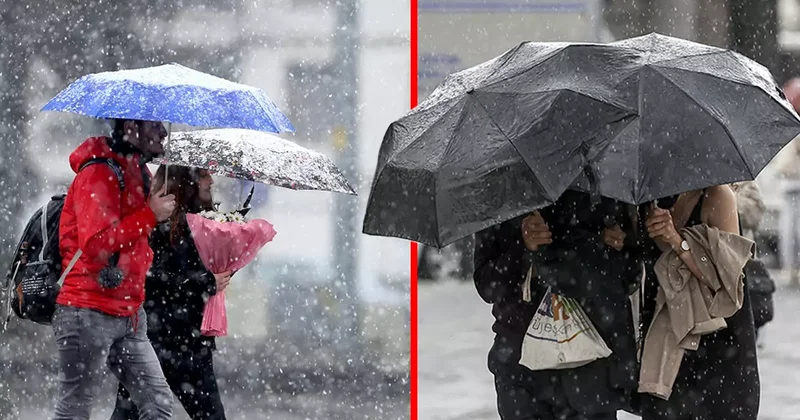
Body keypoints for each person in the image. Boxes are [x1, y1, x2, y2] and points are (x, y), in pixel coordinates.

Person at [473, 190, 640, 420]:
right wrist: (524, 248)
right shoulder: (498, 197)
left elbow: (628, 275)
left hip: (590, 366)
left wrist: (602, 244)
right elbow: (488, 286)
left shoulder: (601, 185)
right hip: (520, 368)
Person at [53, 119, 175, 420]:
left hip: (130, 313)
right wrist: (149, 215)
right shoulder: (99, 172)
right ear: (131, 126)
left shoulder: (139, 172)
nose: (163, 132)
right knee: (74, 410)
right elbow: (96, 243)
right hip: (87, 309)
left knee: (158, 405)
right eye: (154, 125)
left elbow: (136, 239)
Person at [111, 165, 231, 420]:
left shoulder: (207, 222)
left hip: (192, 341)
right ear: (185, 182)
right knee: (130, 414)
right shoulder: (156, 223)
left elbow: (201, 276)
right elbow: (152, 278)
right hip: (156, 340)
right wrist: (204, 282)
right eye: (203, 175)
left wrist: (225, 268)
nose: (211, 180)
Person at [637, 186, 760, 420]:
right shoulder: (649, 197)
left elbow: (727, 281)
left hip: (716, 346)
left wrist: (676, 240)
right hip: (668, 338)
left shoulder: (717, 195)